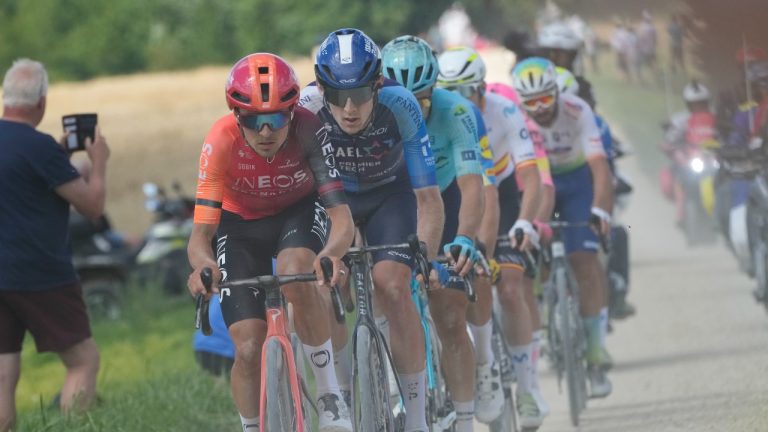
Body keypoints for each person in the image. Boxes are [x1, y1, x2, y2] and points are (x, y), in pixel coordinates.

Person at [186, 53, 355, 432]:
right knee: (248, 347)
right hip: (239, 227)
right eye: (253, 120)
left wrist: (331, 254)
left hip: (297, 213)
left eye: (276, 119)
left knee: (295, 273)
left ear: (292, 113)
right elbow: (201, 236)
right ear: (236, 115)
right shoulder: (220, 140)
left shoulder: (309, 129)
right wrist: (204, 266)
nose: (265, 131)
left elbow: (341, 217)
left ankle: (329, 396)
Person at [300, 28, 445, 432]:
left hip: (389, 196)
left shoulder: (400, 104)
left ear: (378, 84)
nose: (349, 108)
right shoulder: (305, 108)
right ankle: (341, 399)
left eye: (361, 94)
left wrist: (425, 256)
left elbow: (429, 198)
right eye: (337, 95)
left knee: (393, 286)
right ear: (320, 87)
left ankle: (416, 417)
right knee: (325, 285)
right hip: (333, 200)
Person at [437, 47, 551, 428]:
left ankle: (528, 388)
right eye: (449, 91)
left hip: (500, 191)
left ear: (482, 88)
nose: (458, 100)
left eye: (465, 91)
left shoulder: (504, 112)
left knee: (511, 286)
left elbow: (529, 176)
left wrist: (525, 222)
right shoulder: (444, 116)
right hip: (460, 193)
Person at [381, 35, 488, 431]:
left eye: (421, 102)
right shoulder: (372, 115)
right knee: (387, 293)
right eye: (400, 102)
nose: (411, 111)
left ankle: (465, 418)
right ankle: (395, 393)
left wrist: (466, 238)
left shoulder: (457, 111)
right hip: (398, 204)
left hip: (444, 200)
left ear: (434, 91)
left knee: (450, 314)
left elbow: (472, 185)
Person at [0, 59, 109, 431]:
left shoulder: (42, 153)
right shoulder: (40, 147)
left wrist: (58, 159)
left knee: (3, 371)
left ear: (5, 97)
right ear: (41, 102)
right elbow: (92, 206)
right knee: (82, 361)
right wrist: (99, 162)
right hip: (40, 274)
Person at [512, 57, 614, 398]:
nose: (540, 108)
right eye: (531, 102)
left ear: (557, 92)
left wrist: (600, 209)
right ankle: (544, 303)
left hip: (577, 181)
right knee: (532, 244)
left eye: (545, 98)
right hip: (539, 181)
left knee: (584, 260)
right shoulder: (519, 118)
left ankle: (596, 351)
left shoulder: (577, 109)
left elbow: (599, 167)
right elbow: (529, 176)